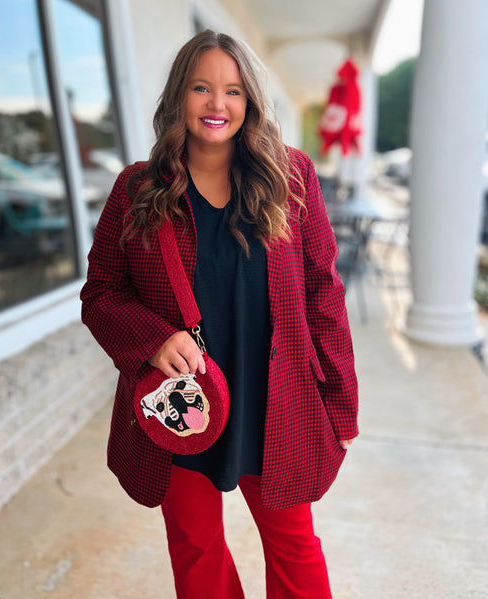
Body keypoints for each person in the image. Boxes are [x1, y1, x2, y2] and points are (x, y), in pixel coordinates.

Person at [81, 29, 358, 599]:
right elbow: (100, 293)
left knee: (294, 545)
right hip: (183, 400)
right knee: (195, 545)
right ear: (178, 97)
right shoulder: (136, 189)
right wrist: (154, 340)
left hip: (275, 397)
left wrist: (340, 403)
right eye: (201, 88)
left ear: (251, 100)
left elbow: (323, 296)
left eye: (233, 91)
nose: (217, 105)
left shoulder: (293, 177)